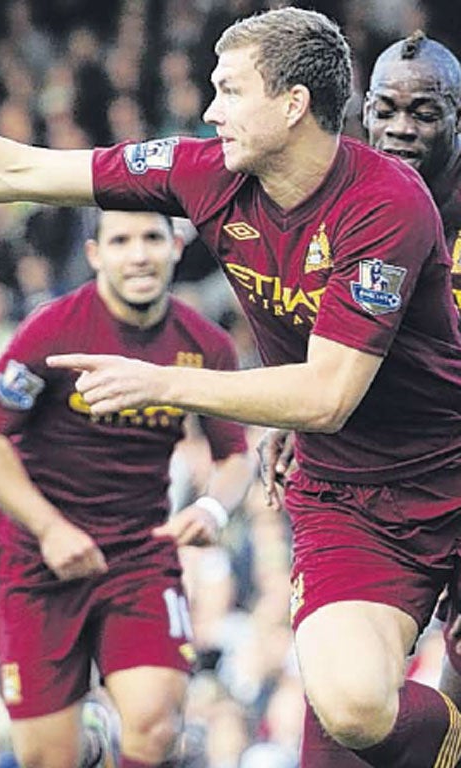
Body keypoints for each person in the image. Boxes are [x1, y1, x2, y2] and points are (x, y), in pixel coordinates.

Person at [0, 7, 461, 766]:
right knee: (353, 710)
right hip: (348, 499)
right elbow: (9, 170)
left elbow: (327, 395)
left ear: (293, 104)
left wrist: (165, 386)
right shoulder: (203, 172)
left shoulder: (385, 201)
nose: (211, 111)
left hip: (449, 470)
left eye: (230, 91)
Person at [0, 210, 253, 768]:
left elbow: (234, 453)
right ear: (95, 254)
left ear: (177, 245)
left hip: (140, 554)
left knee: (155, 727)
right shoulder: (56, 330)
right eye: (121, 241)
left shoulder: (205, 345)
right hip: (37, 560)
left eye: (150, 238)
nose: (137, 254)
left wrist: (214, 507)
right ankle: (89, 743)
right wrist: (49, 529)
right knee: (51, 759)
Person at [257, 28, 461, 757]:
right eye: (386, 110)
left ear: (459, 117)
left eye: (426, 113)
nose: (401, 129)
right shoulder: (345, 200)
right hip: (367, 488)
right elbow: (301, 318)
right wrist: (290, 408)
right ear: (361, 113)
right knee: (342, 717)